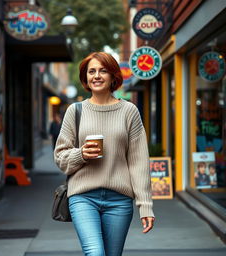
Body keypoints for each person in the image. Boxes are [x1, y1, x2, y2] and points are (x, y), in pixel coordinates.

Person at [54, 52, 155, 256]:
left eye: (103, 71)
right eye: (92, 71)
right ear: (85, 78)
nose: (97, 76)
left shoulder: (129, 111)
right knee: (95, 253)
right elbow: (60, 157)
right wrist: (81, 154)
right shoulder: (75, 110)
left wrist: (145, 205)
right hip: (83, 196)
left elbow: (138, 162)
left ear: (113, 77)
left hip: (119, 199)